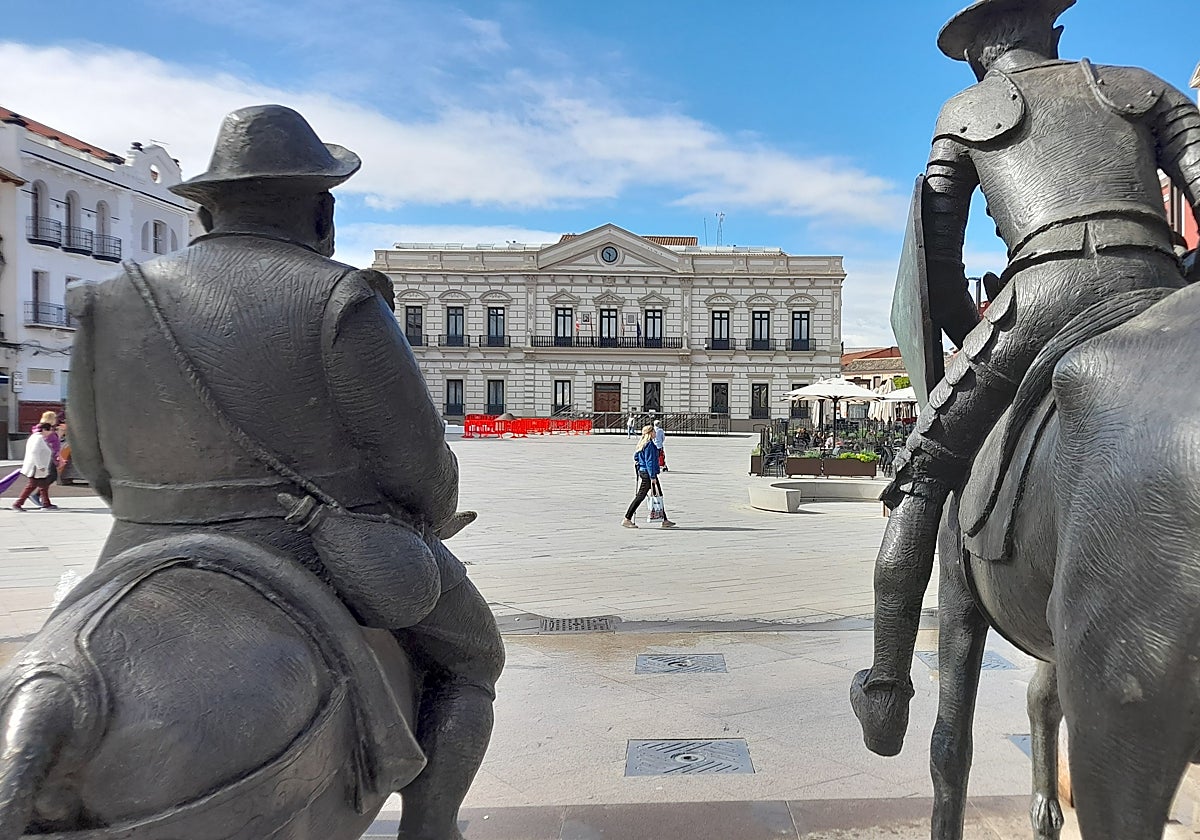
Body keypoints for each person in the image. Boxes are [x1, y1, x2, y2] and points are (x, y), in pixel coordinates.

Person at [66, 105, 503, 840]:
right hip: (301, 549)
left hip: (131, 555)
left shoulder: (108, 302)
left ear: (205, 209)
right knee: (473, 658)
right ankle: (431, 829)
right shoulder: (341, 297)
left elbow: (93, 463)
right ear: (322, 208)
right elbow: (422, 472)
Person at [852, 0, 1200, 758]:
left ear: (980, 58)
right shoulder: (1140, 84)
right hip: (1162, 283)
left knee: (920, 479)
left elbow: (938, 271)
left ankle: (885, 691)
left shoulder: (965, 111)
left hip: (1042, 299)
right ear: (1056, 36)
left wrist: (974, 346)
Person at [622, 425, 675, 529]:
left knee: (658, 494)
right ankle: (627, 518)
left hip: (643, 472)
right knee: (641, 496)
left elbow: (636, 457)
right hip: (649, 474)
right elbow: (649, 461)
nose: (655, 434)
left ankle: (665, 520)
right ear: (650, 433)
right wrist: (652, 476)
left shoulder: (642, 444)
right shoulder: (649, 445)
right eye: (654, 432)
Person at [11, 423, 54, 511]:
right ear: (44, 430)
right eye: (50, 430)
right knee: (32, 485)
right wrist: (40, 466)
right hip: (36, 467)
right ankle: (18, 504)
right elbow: (34, 452)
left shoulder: (35, 437)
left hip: (38, 467)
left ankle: (46, 504)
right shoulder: (39, 438)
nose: (51, 432)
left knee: (43, 485)